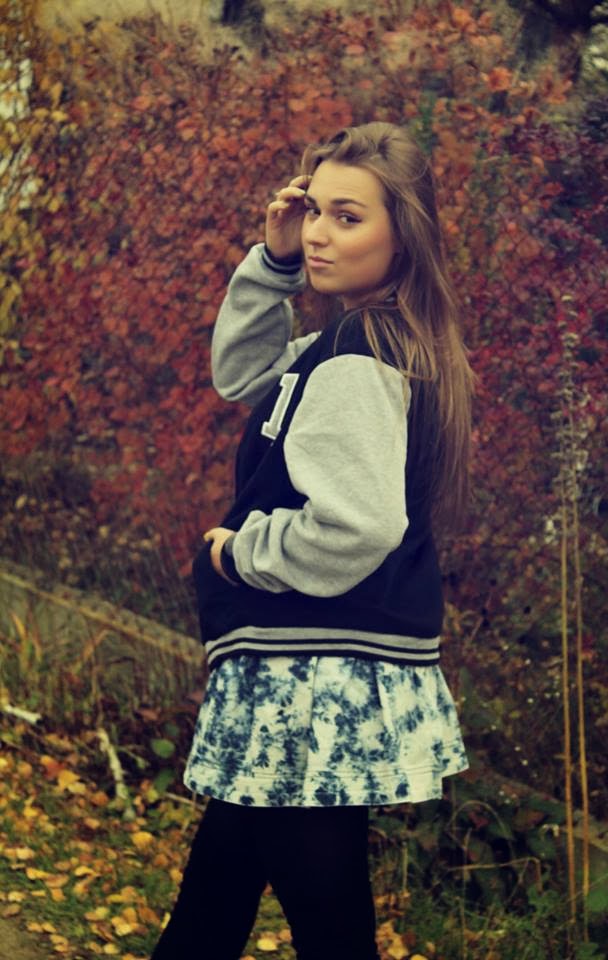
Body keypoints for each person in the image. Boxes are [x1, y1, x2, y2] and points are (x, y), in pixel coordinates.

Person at [151, 121, 473, 960]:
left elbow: (358, 525)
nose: (321, 233)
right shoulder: (349, 343)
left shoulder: (357, 358)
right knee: (217, 898)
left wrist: (240, 551)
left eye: (348, 217)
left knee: (321, 925)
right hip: (308, 667)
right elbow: (242, 375)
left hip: (311, 678)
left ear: (404, 236)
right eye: (315, 211)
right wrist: (275, 262)